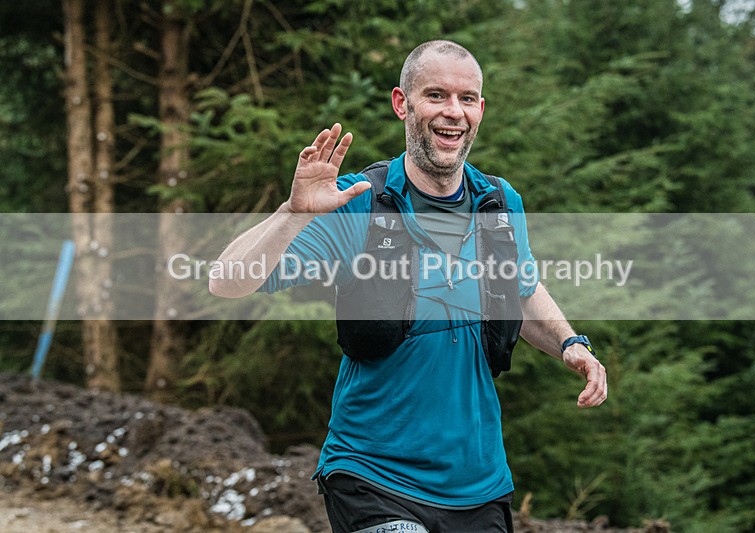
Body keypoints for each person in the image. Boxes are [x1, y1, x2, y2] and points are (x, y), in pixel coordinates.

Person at [210, 40, 607, 533]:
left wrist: (571, 343)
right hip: (372, 475)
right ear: (403, 103)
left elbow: (521, 291)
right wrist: (292, 213)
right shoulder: (357, 202)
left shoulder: (500, 203)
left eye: (466, 99)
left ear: (480, 110)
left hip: (479, 485)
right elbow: (225, 281)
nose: (452, 112)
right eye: (436, 95)